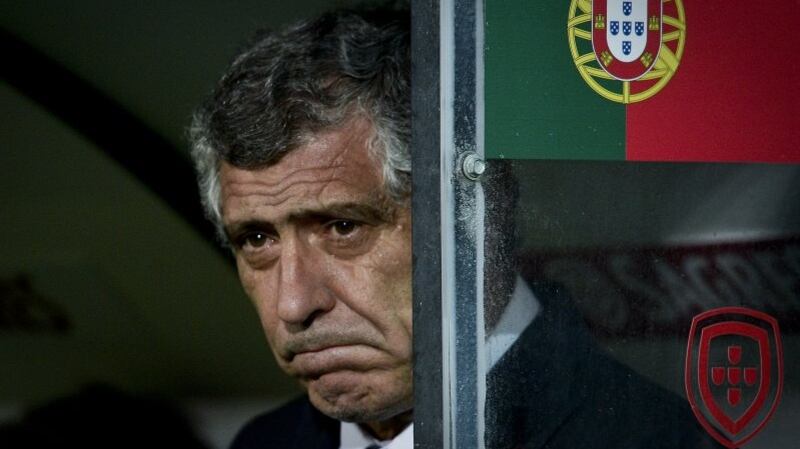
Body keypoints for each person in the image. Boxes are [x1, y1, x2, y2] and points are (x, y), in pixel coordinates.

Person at [189, 4, 722, 449]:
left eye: (343, 227)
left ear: (478, 217)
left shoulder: (647, 438)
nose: (293, 305)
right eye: (256, 239)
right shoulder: (265, 444)